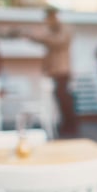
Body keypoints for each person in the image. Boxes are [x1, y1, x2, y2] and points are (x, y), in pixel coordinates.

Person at [25, 7, 78, 135]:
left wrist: (40, 37)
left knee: (64, 97)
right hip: (54, 70)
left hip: (62, 70)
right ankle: (65, 124)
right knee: (59, 97)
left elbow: (58, 42)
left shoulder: (64, 29)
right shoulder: (52, 31)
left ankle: (71, 125)